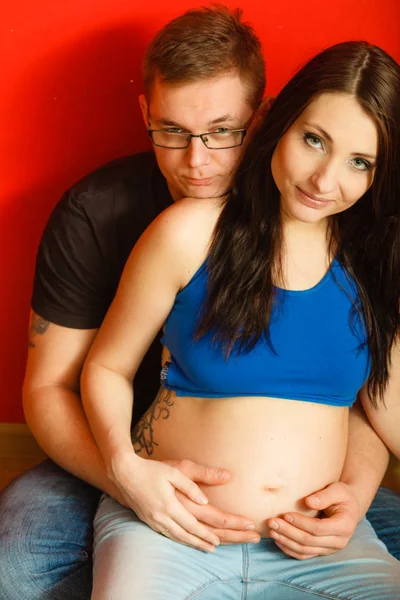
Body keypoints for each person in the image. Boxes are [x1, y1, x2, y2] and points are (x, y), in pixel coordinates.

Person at [0, 6, 398, 599]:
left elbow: (371, 398)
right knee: (17, 562)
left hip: (304, 527)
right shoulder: (113, 215)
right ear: (146, 114)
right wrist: (128, 477)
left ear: (261, 119)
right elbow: (56, 384)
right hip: (123, 465)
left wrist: (359, 487)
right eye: (172, 131)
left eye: (221, 131)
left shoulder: (359, 250)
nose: (198, 160)